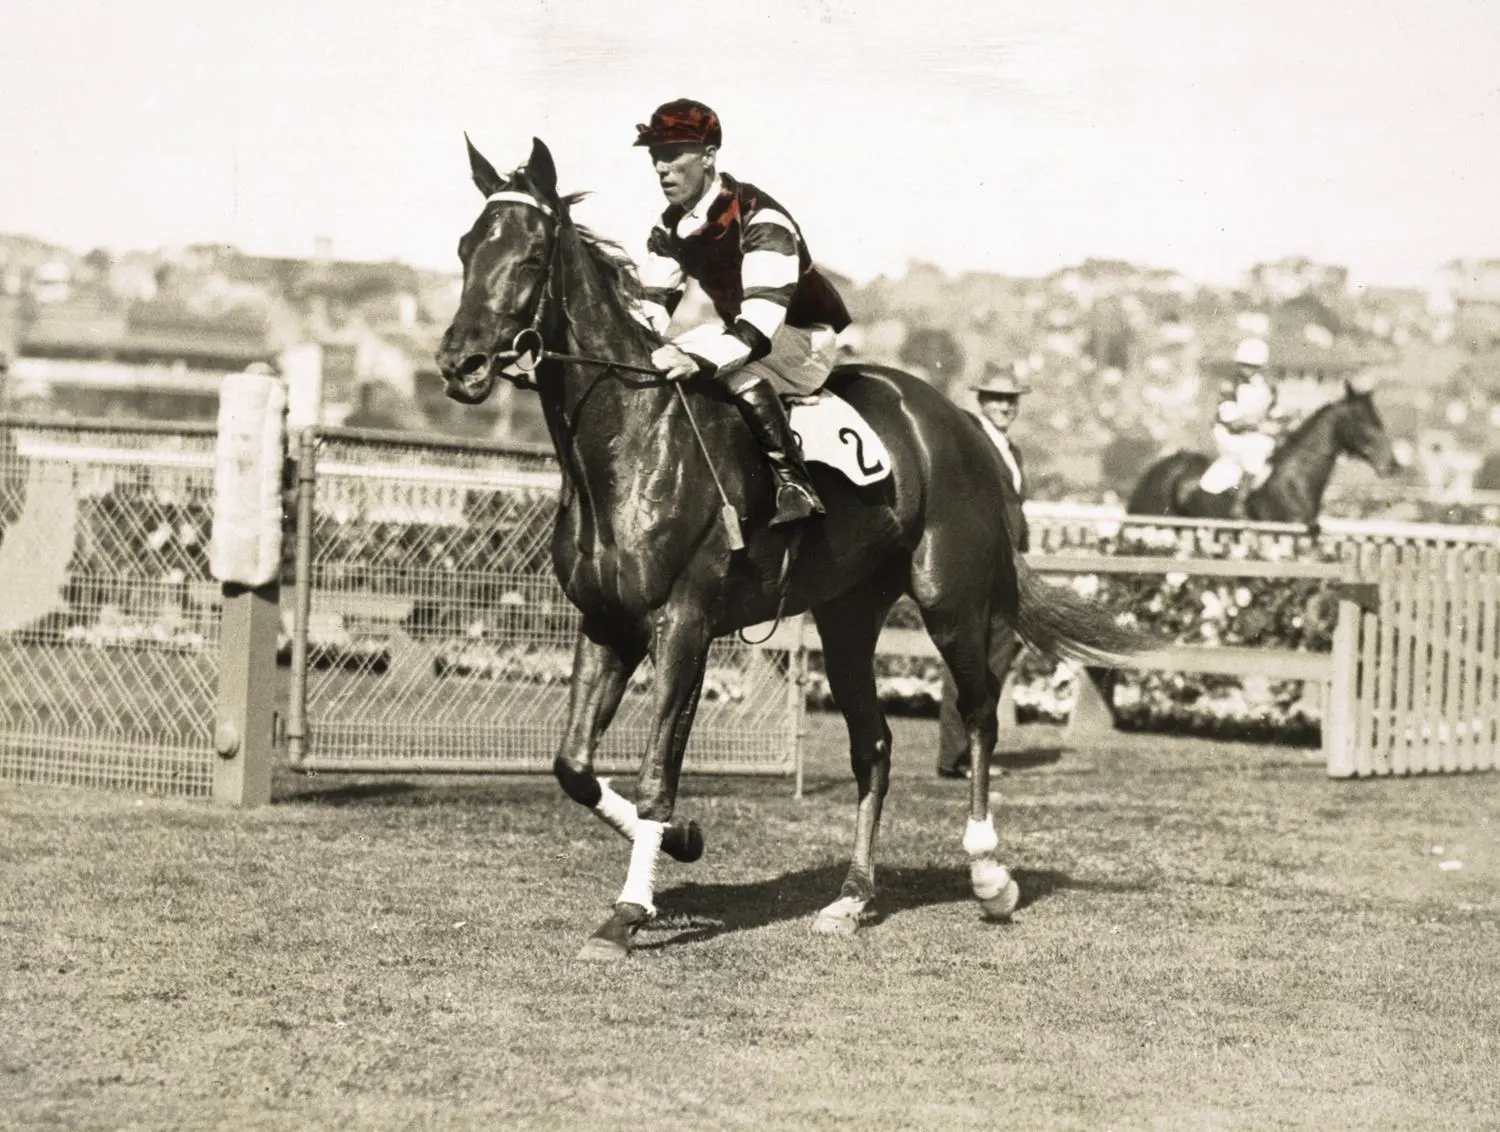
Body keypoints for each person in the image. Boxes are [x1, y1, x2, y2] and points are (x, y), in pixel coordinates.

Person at [634, 98, 852, 527]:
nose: (661, 168)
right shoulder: (669, 227)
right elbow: (649, 309)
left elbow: (758, 330)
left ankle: (794, 482)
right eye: (656, 156)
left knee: (704, 354)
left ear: (709, 156)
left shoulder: (762, 218)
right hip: (748, 336)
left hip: (802, 341)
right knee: (665, 353)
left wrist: (693, 358)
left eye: (673, 154)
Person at [936, 365, 1030, 779]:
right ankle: (956, 755)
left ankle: (976, 753)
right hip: (978, 564)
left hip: (1008, 565)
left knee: (997, 656)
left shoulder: (1012, 449)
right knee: (968, 658)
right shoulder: (973, 441)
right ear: (981, 400)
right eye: (995, 397)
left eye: (1010, 399)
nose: (1004, 406)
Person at [1206, 337, 1280, 517]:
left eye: (1252, 366)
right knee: (1259, 447)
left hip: (1256, 433)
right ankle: (1240, 502)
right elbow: (1231, 420)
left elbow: (1275, 412)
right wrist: (1261, 425)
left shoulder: (1268, 387)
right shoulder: (1229, 385)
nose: (1247, 370)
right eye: (1244, 365)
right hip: (1229, 435)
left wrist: (1281, 423)